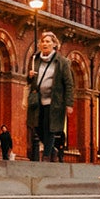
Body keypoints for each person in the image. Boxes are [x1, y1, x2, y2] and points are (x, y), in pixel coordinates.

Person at [25, 28, 74, 163]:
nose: (44, 44)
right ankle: (52, 150)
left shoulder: (62, 62)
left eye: (47, 41)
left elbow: (69, 84)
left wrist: (69, 104)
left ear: (54, 44)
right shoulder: (35, 59)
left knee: (50, 128)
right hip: (38, 100)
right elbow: (30, 80)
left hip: (55, 102)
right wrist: (29, 77)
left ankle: (46, 156)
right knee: (37, 127)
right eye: (42, 42)